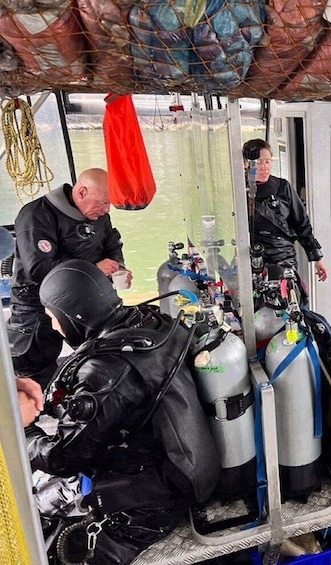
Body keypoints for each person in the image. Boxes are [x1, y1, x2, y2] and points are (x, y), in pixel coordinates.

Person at [27, 259, 219, 564]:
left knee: (54, 551)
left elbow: (61, 457)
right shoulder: (151, 324)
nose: (52, 325)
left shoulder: (106, 370)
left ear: (74, 314)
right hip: (178, 464)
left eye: (53, 316)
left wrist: (25, 432)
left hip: (152, 499)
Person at [7, 168, 132, 388]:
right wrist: (94, 270)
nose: (106, 210)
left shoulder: (100, 216)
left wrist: (118, 267)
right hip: (37, 305)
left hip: (84, 302)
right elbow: (39, 268)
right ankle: (29, 418)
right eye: (103, 203)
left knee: (100, 357)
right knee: (33, 367)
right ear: (82, 192)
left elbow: (112, 245)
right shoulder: (36, 214)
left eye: (109, 204)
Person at [242, 138, 328, 283]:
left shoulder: (282, 187)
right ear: (246, 164)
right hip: (252, 259)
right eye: (258, 162)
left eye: (267, 161)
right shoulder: (240, 191)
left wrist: (317, 258)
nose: (264, 167)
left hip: (283, 257)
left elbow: (302, 223)